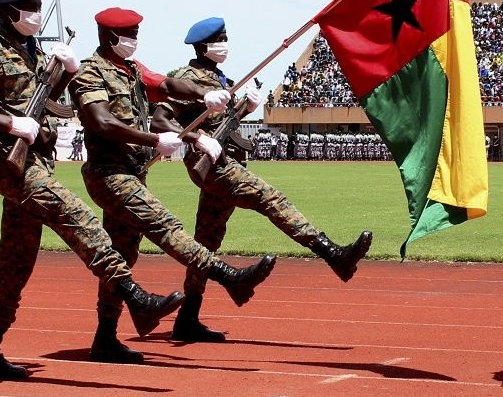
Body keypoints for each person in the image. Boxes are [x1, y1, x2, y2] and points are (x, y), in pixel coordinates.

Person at [0, 0, 185, 380]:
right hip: (7, 161)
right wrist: (9, 123)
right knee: (78, 218)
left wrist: (66, 74)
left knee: (16, 261)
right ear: (9, 11)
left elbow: (47, 102)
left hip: (37, 162)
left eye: (39, 6)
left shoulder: (31, 51)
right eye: (32, 7)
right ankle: (134, 296)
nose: (37, 14)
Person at [68, 7, 276, 363]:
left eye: (136, 32)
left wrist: (202, 94)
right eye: (128, 33)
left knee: (122, 256)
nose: (134, 39)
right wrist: (153, 140)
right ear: (108, 37)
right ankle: (228, 277)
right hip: (108, 173)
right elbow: (101, 122)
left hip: (133, 171)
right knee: (165, 225)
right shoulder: (89, 74)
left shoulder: (131, 68)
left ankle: (104, 338)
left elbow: (164, 84)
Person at [152, 17, 371, 342]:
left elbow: (224, 122)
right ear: (203, 45)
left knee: (206, 241)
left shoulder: (220, 78)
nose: (225, 43)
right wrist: (196, 139)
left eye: (226, 37)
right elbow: (159, 121)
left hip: (226, 161)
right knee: (271, 198)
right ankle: (332, 254)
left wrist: (243, 108)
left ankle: (188, 317)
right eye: (220, 38)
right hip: (212, 165)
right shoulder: (187, 77)